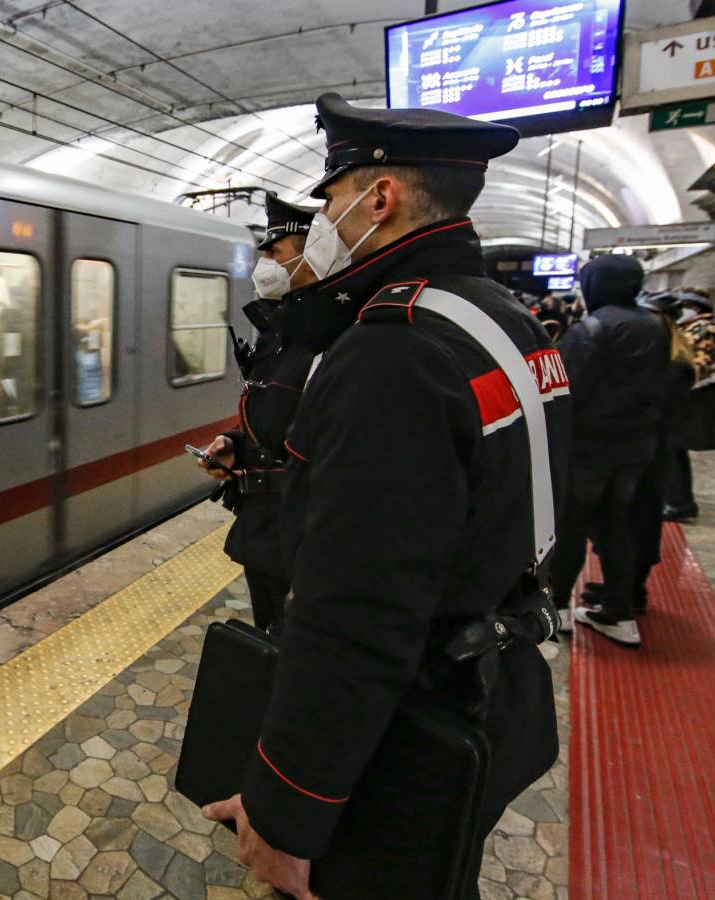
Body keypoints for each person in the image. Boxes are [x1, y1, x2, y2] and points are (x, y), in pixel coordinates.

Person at [201, 93, 571, 900]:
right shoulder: (505, 320)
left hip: (408, 719)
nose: (324, 216)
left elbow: (356, 613)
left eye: (329, 198)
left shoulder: (393, 352)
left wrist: (286, 810)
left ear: (380, 197)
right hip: (497, 683)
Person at [198, 192, 320, 633]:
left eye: (274, 250)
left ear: (315, 250)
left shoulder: (336, 336)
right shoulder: (281, 328)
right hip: (267, 531)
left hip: (306, 538)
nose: (263, 260)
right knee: (273, 638)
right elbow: (276, 412)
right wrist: (235, 443)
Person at [548, 256, 668, 647]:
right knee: (615, 524)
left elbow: (566, 391)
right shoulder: (654, 326)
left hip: (588, 447)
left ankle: (557, 607)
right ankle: (620, 613)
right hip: (636, 447)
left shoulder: (591, 329)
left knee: (571, 526)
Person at [581, 290, 695, 617]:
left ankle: (630, 592)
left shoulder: (670, 362)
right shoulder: (670, 356)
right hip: (642, 449)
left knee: (634, 520)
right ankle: (622, 586)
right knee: (622, 519)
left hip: (644, 451)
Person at [664, 287, 715, 520]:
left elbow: (694, 366)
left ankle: (679, 503)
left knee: (674, 448)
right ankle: (678, 500)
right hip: (691, 396)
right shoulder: (697, 326)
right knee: (675, 450)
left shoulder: (706, 329)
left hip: (694, 397)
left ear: (695, 308)